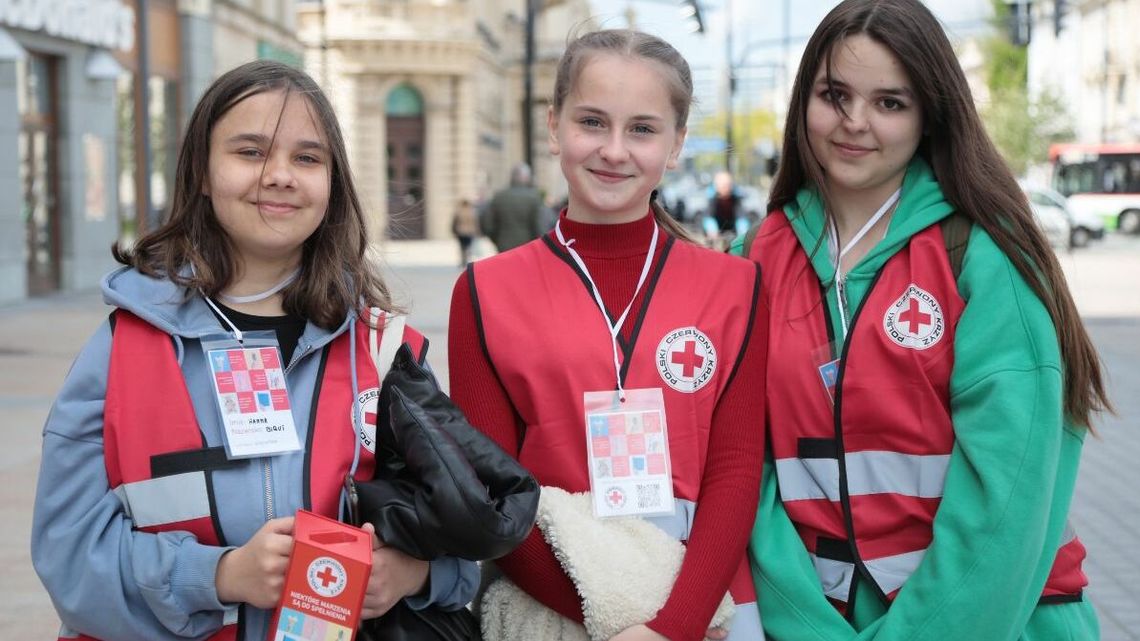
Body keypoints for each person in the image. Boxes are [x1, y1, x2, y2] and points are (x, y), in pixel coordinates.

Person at [30, 60, 478, 641]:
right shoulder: (121, 350)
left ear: (333, 183)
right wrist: (216, 575)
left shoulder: (386, 351)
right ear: (201, 173)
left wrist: (413, 575)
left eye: (308, 158)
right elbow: (67, 557)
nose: (280, 175)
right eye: (249, 152)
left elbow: (466, 548)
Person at [733, 1, 1111, 638]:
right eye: (835, 94)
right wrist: (804, 626)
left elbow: (1009, 495)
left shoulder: (984, 255)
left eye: (890, 102)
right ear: (805, 100)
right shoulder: (754, 258)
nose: (855, 123)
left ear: (930, 116)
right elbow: (745, 473)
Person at [449, 29, 768, 641]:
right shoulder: (485, 292)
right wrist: (626, 621)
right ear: (553, 127)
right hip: (553, 610)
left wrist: (673, 628)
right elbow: (490, 496)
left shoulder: (736, 286)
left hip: (705, 614)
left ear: (676, 144)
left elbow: (734, 470)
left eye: (643, 129)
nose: (614, 151)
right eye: (592, 122)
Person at [481, 162, 546, 252]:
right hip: (527, 247)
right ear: (527, 178)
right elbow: (539, 226)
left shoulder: (499, 197)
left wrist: (496, 239)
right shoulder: (534, 197)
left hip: (503, 245)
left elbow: (487, 223)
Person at [452, 198, 480, 266]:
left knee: (462, 247)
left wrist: (453, 230)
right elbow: (475, 222)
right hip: (470, 231)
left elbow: (454, 222)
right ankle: (467, 259)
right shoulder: (472, 212)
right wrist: (477, 230)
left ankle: (463, 260)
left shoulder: (459, 211)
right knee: (468, 246)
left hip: (461, 231)